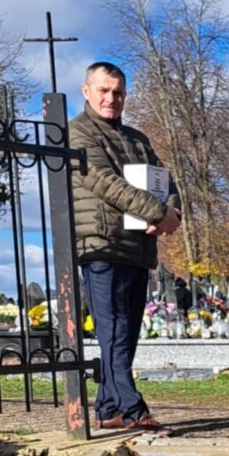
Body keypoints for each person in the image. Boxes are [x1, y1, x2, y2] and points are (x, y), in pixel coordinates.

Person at [70, 62, 181, 432]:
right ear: (87, 90)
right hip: (101, 243)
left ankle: (107, 408)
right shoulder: (77, 133)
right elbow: (103, 182)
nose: (110, 98)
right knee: (113, 329)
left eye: (117, 92)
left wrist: (171, 211)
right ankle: (133, 410)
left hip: (137, 246)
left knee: (127, 331)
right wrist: (157, 210)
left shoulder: (138, 140)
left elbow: (165, 181)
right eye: (103, 90)